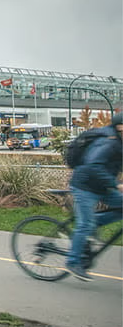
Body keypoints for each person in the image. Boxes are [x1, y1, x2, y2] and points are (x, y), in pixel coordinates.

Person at [65, 112, 123, 282]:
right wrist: (117, 184)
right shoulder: (108, 141)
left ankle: (96, 222)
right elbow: (93, 165)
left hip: (102, 186)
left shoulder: (119, 142)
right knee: (85, 224)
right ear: (120, 127)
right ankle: (73, 262)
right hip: (85, 186)